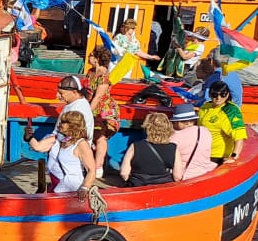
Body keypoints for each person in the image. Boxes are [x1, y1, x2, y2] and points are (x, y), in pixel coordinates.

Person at [27, 111, 96, 195]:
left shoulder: (81, 144)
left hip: (70, 187)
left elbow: (91, 170)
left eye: (63, 122)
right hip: (55, 182)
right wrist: (29, 137)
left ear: (73, 126)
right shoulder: (58, 139)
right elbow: (37, 147)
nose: (59, 124)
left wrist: (85, 188)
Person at [82, 46, 118, 175]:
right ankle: (87, 164)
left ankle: (98, 167)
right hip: (89, 105)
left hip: (103, 110)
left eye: (91, 55)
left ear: (97, 58)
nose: (88, 57)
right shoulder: (90, 72)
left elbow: (98, 97)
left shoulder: (104, 75)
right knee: (89, 136)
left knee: (100, 137)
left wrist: (87, 113)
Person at [120, 112, 181, 186]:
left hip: (138, 185)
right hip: (163, 187)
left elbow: (124, 173)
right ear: (168, 128)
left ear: (147, 128)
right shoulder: (173, 148)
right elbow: (177, 177)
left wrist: (131, 182)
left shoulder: (135, 146)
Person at [198, 80, 246, 164]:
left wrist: (234, 156)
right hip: (201, 153)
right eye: (215, 95)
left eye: (222, 94)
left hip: (218, 156)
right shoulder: (205, 107)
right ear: (209, 94)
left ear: (227, 94)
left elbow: (239, 137)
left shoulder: (231, 111)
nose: (218, 98)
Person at [169, 103, 216, 180]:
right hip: (206, 172)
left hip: (186, 176)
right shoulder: (205, 131)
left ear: (179, 122)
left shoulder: (174, 137)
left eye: (174, 122)